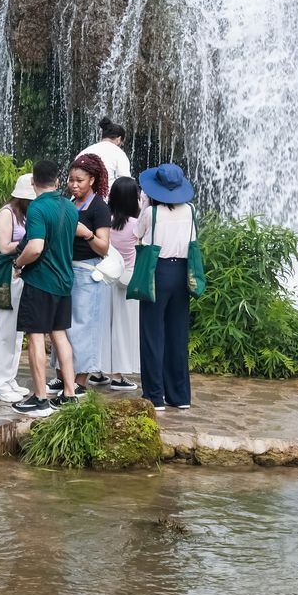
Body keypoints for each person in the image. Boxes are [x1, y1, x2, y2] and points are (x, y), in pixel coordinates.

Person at [11, 161, 79, 417]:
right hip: (64, 281)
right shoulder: (70, 207)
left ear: (33, 183)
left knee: (36, 336)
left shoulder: (38, 208)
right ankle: (70, 393)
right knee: (60, 334)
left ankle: (40, 398)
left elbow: (36, 247)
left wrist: (18, 264)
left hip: (41, 281)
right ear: (58, 182)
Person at [137, 164, 197, 411]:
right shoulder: (191, 210)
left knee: (153, 334)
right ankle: (180, 396)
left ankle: (154, 396)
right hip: (182, 273)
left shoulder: (152, 213)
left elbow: (136, 235)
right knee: (177, 334)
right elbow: (193, 241)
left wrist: (143, 207)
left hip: (157, 272)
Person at [66, 152, 112, 390]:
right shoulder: (69, 204)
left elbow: (104, 247)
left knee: (84, 327)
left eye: (79, 180)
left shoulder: (99, 208)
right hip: (66, 271)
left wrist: (87, 234)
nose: (74, 185)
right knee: (64, 325)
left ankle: (80, 381)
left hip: (87, 273)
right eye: (71, 179)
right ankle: (64, 376)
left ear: (92, 180)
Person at [0, 174, 35, 403]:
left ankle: (9, 379)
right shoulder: (7, 213)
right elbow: (4, 247)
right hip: (7, 274)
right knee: (4, 331)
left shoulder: (25, 215)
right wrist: (32, 242)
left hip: (21, 273)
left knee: (17, 332)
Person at [105, 177, 143, 393]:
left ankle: (98, 372)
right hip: (128, 281)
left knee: (104, 325)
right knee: (121, 328)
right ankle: (117, 376)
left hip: (106, 279)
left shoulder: (105, 221)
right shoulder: (136, 225)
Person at [77, 116, 132, 188]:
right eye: (122, 143)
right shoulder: (119, 153)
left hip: (81, 197)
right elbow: (126, 183)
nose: (121, 146)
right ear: (119, 139)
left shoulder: (84, 151)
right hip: (107, 197)